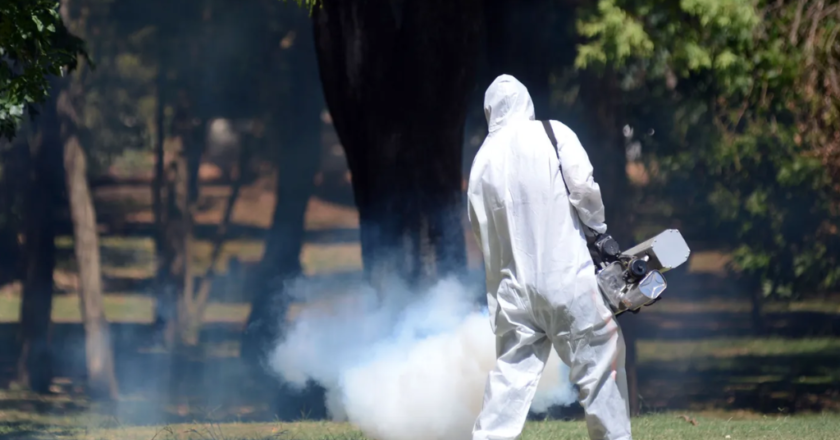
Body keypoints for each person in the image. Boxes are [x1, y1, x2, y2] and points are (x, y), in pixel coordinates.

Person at [467, 74, 631, 440]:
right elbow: (584, 188)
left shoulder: (481, 161)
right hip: (568, 279)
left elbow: (481, 233)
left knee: (509, 382)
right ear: (526, 102)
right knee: (599, 371)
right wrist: (598, 232)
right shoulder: (552, 132)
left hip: (513, 293)